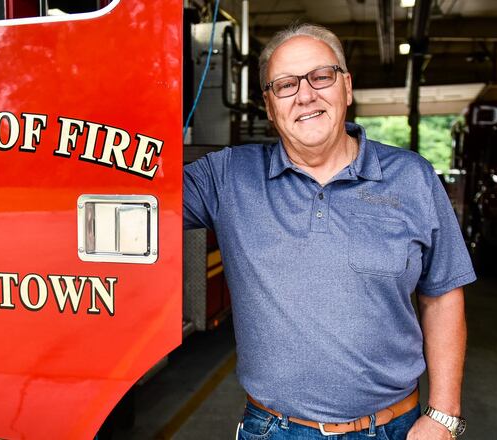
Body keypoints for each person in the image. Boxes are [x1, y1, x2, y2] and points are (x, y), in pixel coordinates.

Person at [183, 23, 475, 440]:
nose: (305, 95)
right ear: (268, 105)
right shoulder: (227, 177)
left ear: (347, 86)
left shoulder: (412, 177)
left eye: (321, 76)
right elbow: (123, 190)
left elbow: (443, 294)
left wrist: (444, 415)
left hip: (394, 429)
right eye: (285, 85)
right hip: (273, 430)